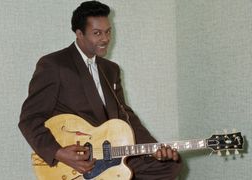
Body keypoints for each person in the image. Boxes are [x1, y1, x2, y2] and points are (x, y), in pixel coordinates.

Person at [19, 1, 182, 179]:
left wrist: (154, 148)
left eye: (108, 31)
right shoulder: (55, 65)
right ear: (79, 34)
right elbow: (30, 119)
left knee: (170, 166)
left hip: (113, 154)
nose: (105, 39)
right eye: (97, 33)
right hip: (79, 160)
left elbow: (126, 116)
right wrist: (59, 152)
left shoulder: (110, 69)